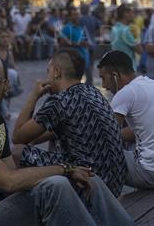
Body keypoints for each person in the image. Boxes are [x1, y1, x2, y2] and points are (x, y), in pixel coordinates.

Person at [0, 51, 133, 226]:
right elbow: (9, 180)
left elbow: (12, 170)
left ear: (6, 86)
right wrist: (66, 170)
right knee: (56, 185)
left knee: (88, 177)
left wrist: (68, 173)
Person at [13, 49, 127, 197]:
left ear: (57, 72)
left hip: (90, 184)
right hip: (114, 184)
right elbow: (42, 135)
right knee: (52, 140)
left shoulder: (60, 101)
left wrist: (33, 96)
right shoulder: (93, 92)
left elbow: (17, 138)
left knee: (18, 152)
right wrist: (34, 138)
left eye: (48, 71)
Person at [97, 50, 154, 190]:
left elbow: (105, 135)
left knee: (95, 150)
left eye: (103, 78)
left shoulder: (126, 93)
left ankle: (103, 205)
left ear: (115, 76)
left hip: (151, 174)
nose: (104, 85)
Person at [110, 4, 139, 70]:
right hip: (128, 70)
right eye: (132, 12)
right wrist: (135, 35)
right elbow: (139, 50)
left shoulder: (114, 28)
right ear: (125, 14)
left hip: (118, 68)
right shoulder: (125, 30)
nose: (133, 15)